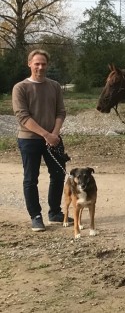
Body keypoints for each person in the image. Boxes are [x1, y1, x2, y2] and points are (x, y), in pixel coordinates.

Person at [12, 49, 68, 231]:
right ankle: (36, 216)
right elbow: (23, 116)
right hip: (29, 140)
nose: (40, 67)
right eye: (37, 63)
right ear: (30, 64)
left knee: (59, 175)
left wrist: (55, 134)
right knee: (31, 178)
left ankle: (55, 213)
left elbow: (61, 112)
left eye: (43, 63)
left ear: (47, 65)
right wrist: (46, 134)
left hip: (53, 138)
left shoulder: (54, 86)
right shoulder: (20, 88)